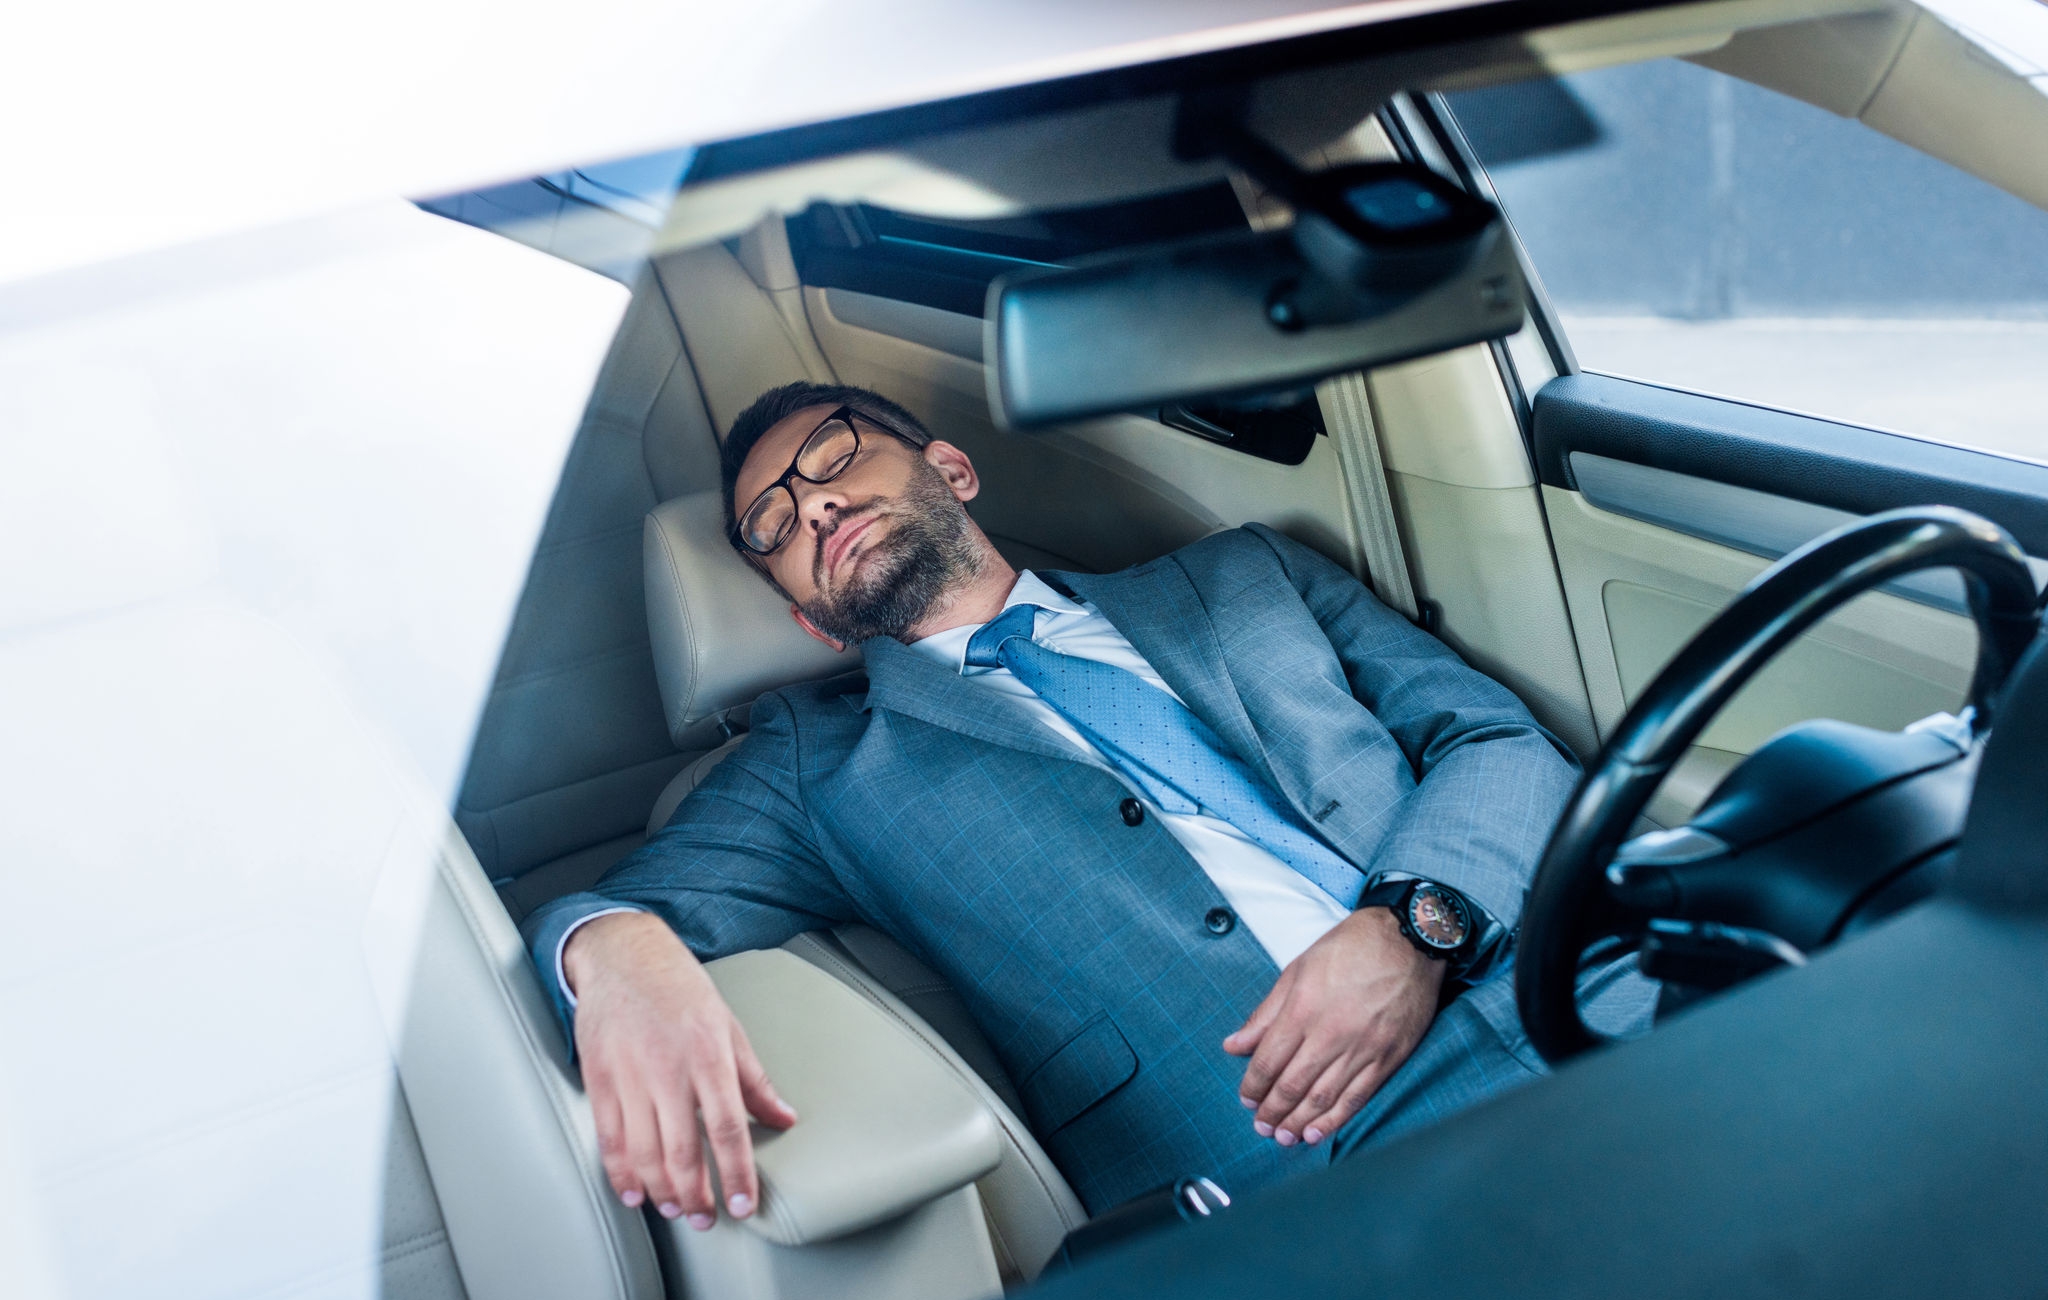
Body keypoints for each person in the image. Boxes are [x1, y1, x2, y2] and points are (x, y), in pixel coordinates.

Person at [524, 380, 1651, 1232]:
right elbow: (607, 909)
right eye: (771, 527)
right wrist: (619, 951)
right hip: (1315, 1171)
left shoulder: (1243, 573)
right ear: (813, 619)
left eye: (833, 455)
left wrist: (1411, 927)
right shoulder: (814, 772)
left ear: (952, 468)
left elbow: (1497, 738)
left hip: (1583, 986)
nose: (811, 501)